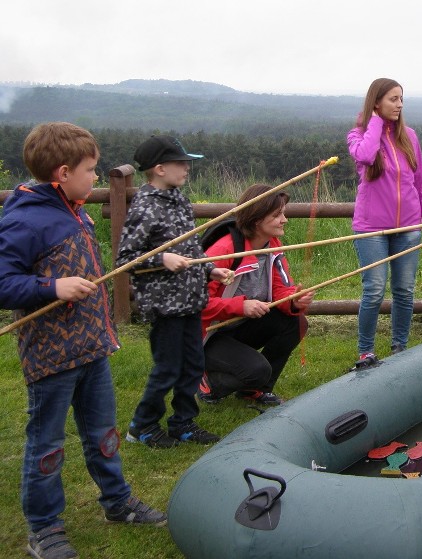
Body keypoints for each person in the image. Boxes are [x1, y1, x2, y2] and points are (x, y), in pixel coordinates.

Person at [0, 123, 167, 559]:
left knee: (103, 433)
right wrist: (52, 288)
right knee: (47, 443)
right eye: (90, 170)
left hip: (92, 347)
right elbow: (3, 282)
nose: (95, 177)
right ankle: (44, 527)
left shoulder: (73, 208)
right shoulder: (26, 218)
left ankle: (116, 501)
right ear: (62, 172)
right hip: (51, 358)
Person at [116, 135, 231, 448]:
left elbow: (191, 247)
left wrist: (209, 268)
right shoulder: (144, 207)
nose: (187, 168)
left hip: (191, 298)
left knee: (194, 364)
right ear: (159, 169)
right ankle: (142, 426)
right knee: (167, 367)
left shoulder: (178, 199)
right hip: (165, 304)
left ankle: (183, 422)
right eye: (181, 163)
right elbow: (126, 259)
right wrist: (161, 258)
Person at [347, 78, 422, 360]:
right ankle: (365, 352)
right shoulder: (358, 135)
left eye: (401, 99)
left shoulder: (409, 136)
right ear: (376, 102)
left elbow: (421, 182)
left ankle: (399, 348)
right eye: (393, 99)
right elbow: (365, 155)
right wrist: (373, 123)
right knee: (373, 291)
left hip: (409, 227)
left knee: (404, 291)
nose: (399, 104)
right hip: (371, 229)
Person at [199, 184, 314, 405]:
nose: (284, 220)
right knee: (258, 370)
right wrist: (241, 306)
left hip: (239, 326)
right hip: (207, 335)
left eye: (283, 213)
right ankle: (208, 381)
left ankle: (254, 390)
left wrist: (294, 301)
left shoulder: (272, 245)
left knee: (296, 322)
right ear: (256, 220)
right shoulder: (224, 250)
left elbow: (281, 289)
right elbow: (197, 305)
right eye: (277, 215)